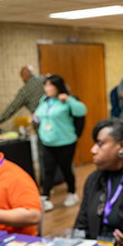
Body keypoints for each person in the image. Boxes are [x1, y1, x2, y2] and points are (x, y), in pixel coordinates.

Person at [33, 75, 87, 211]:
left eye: (50, 85)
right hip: (48, 142)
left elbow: (82, 110)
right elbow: (39, 114)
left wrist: (69, 100)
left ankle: (72, 193)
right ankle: (45, 198)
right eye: (46, 85)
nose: (47, 88)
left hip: (65, 142)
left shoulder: (67, 100)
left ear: (58, 87)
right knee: (48, 170)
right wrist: (35, 118)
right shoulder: (44, 100)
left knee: (66, 169)